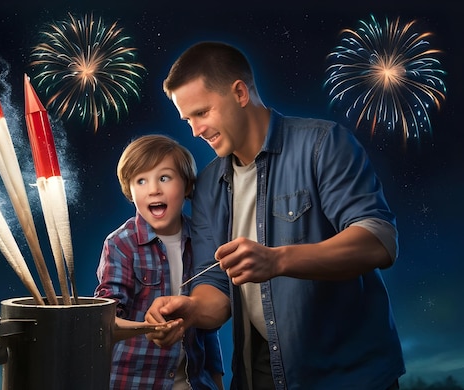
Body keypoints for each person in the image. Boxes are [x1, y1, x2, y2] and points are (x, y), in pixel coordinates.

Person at [144, 41, 405, 389]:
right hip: (261, 374)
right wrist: (189, 311)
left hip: (349, 375)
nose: (195, 130)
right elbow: (217, 289)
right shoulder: (207, 185)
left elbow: (378, 241)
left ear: (239, 93)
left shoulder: (323, 145)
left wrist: (278, 260)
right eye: (187, 119)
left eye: (202, 113)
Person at [94, 134, 224, 389]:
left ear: (187, 186)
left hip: (192, 382)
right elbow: (106, 318)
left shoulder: (202, 239)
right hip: (134, 382)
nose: (153, 189)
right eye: (141, 180)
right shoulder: (120, 244)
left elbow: (206, 323)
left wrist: (216, 381)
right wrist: (147, 329)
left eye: (164, 178)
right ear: (129, 191)